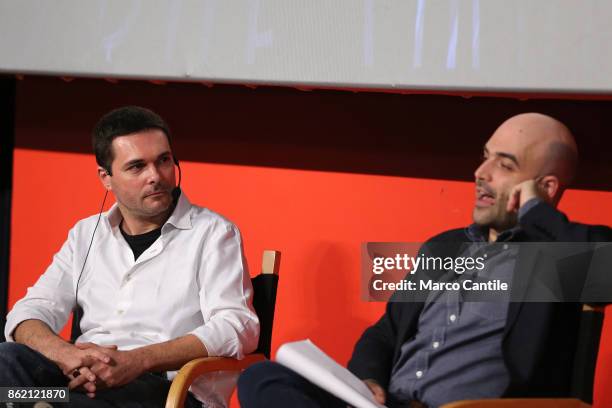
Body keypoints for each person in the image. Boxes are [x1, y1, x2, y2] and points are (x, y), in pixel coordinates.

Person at [237, 112, 612, 408]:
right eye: (485, 158)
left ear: (545, 188)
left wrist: (536, 213)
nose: (480, 174)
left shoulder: (557, 262)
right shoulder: (446, 248)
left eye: (505, 164)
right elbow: (386, 332)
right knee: (262, 378)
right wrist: (368, 379)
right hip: (391, 402)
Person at [1, 106, 259, 407]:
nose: (156, 176)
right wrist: (68, 355)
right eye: (137, 167)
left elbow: (236, 325)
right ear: (106, 178)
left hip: (161, 390)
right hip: (79, 384)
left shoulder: (213, 232)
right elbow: (29, 312)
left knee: (55, 404)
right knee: (7, 364)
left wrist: (137, 361)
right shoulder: (86, 234)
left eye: (163, 161)